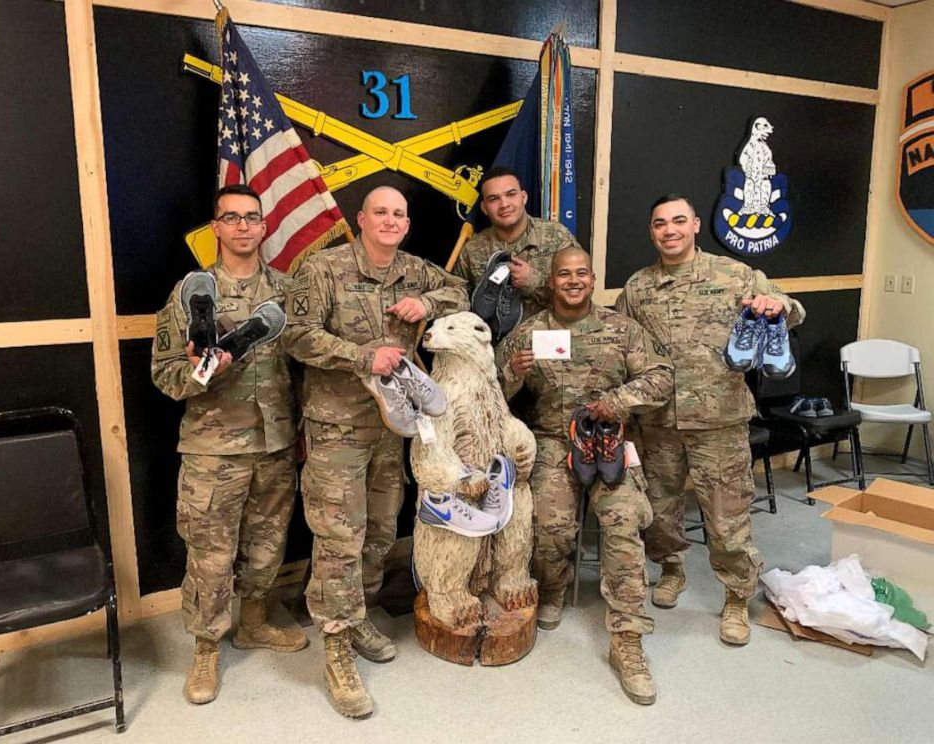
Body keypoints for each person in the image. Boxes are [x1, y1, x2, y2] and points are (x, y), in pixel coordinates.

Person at [282, 185, 469, 719]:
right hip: (337, 426)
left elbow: (460, 291)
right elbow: (295, 336)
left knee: (383, 529)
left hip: (395, 426)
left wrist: (428, 303)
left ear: (406, 225)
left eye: (398, 214)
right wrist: (360, 355)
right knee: (339, 535)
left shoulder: (414, 269)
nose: (389, 220)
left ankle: (358, 611)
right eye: (379, 212)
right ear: (359, 219)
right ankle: (336, 647)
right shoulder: (323, 270)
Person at [615, 193, 805, 646]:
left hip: (718, 419)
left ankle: (737, 596)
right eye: (660, 223)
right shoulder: (638, 287)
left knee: (727, 516)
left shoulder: (735, 274)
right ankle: (672, 570)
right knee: (659, 511)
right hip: (657, 422)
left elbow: (790, 310)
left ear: (696, 224)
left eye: (678, 221)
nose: (669, 230)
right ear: (651, 231)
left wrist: (778, 307)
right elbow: (619, 342)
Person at [151, 184, 308, 705]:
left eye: (252, 218)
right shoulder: (191, 294)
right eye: (232, 218)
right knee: (211, 555)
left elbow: (304, 369)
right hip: (213, 448)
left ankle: (255, 622)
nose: (243, 226)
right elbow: (165, 375)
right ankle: (205, 648)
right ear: (215, 228)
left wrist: (306, 428)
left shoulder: (287, 293)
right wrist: (203, 372)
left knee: (268, 546)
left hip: (277, 441)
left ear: (265, 227)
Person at [497, 246, 672, 705]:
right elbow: (492, 388)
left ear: (593, 280)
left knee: (624, 520)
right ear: (550, 282)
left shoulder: (621, 330)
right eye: (563, 275)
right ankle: (552, 588)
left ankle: (628, 639)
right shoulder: (528, 332)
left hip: (609, 437)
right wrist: (513, 374)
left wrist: (619, 401)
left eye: (581, 274)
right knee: (550, 527)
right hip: (553, 440)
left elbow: (660, 377)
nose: (573, 281)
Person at [453, 166, 582, 323]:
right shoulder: (472, 250)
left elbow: (579, 296)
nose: (504, 204)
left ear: (524, 197)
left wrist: (534, 281)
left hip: (549, 338)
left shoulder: (557, 237)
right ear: (484, 208)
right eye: (494, 199)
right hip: (493, 343)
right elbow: (459, 302)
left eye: (511, 194)